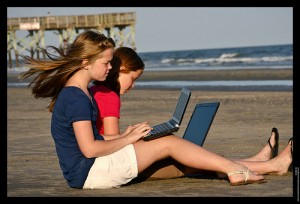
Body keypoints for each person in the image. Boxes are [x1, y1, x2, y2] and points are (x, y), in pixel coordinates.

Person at [19, 30, 292, 190]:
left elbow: (94, 141)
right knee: (168, 143)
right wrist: (127, 140)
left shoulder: (78, 92)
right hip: (89, 171)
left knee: (183, 164)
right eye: (106, 62)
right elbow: (89, 150)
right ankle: (236, 171)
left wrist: (128, 135)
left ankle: (270, 165)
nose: (110, 68)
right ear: (85, 62)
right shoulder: (77, 97)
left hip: (87, 171)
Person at [90, 46, 293, 180]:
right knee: (189, 163)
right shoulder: (108, 96)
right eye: (132, 78)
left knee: (195, 158)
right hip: (113, 165)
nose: (133, 85)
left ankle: (259, 161)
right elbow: (114, 145)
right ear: (121, 69)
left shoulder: (96, 91)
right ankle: (273, 165)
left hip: (107, 162)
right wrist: (135, 138)